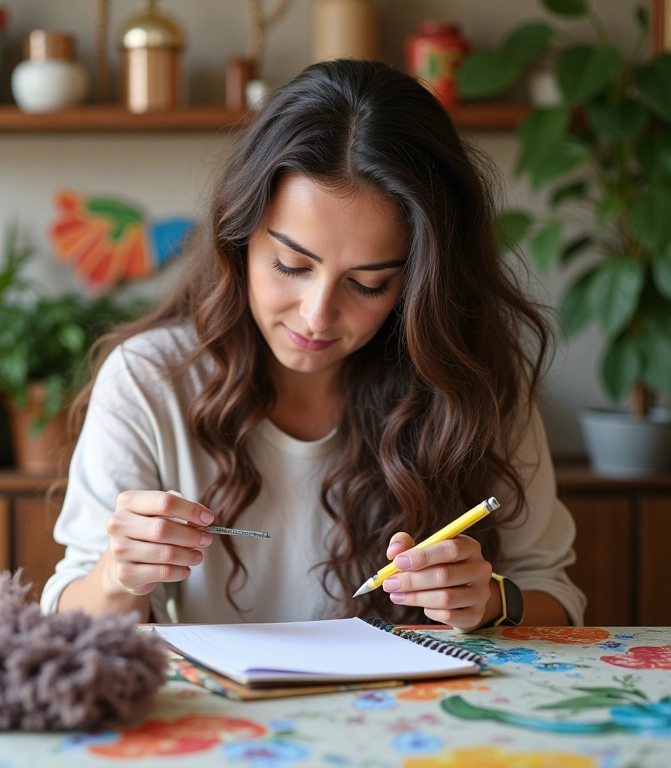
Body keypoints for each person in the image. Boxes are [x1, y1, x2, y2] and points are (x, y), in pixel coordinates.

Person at [40, 59, 586, 631]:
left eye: (368, 284)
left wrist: (491, 602)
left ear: (419, 283)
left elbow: (557, 597)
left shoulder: (477, 385)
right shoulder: (149, 380)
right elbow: (70, 620)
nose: (317, 315)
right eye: (291, 265)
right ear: (239, 237)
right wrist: (118, 576)